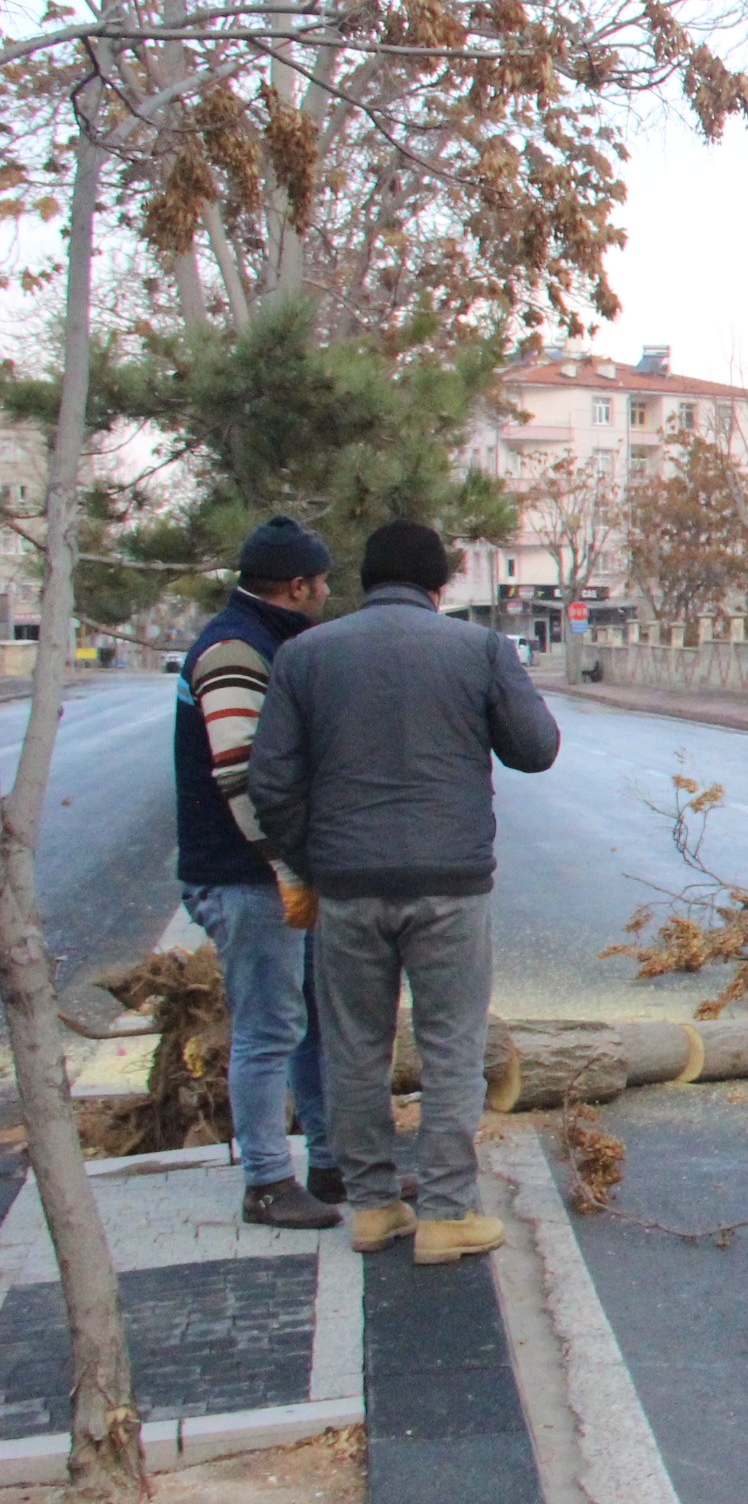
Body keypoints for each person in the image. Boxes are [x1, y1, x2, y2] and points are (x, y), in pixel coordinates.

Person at [251, 520, 561, 1264]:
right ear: (439, 585)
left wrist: (314, 858)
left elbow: (271, 784)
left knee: (354, 1047)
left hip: (348, 888)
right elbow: (537, 749)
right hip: (450, 884)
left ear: (361, 581)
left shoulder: (304, 655)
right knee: (450, 1046)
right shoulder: (478, 648)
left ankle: (373, 1206)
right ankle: (447, 1213)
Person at [175, 516, 341, 1229]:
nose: (330, 591)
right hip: (248, 875)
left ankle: (331, 1162)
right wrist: (289, 868)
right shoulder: (233, 651)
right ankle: (269, 1183)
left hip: (266, 871)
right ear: (298, 585)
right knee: (270, 1028)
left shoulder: (265, 640)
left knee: (312, 1024)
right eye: (324, 580)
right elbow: (240, 776)